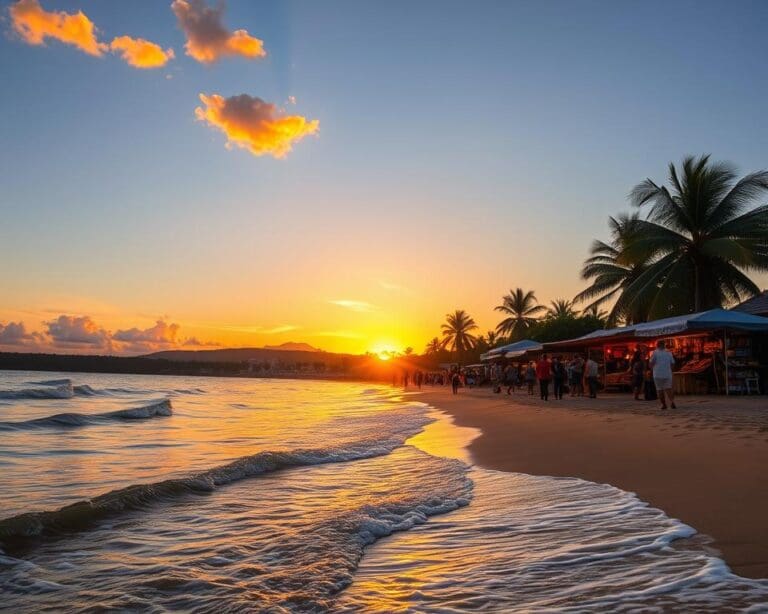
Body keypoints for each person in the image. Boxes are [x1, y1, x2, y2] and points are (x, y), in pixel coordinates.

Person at [650, 340, 676, 410]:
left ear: (657, 345)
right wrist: (670, 370)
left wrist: (651, 369)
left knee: (659, 389)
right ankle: (672, 402)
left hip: (657, 374)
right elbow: (673, 363)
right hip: (667, 374)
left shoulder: (654, 353)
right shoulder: (669, 352)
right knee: (669, 389)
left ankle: (664, 404)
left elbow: (651, 363)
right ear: (664, 345)